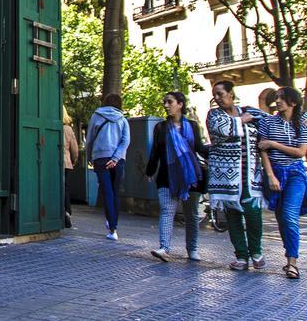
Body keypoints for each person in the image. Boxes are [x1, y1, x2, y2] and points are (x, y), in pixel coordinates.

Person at [207, 80, 266, 271]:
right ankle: (241, 256)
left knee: (253, 214)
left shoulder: (250, 112)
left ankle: (256, 252)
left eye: (220, 94)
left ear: (231, 94)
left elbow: (270, 123)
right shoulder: (214, 115)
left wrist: (301, 119)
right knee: (233, 216)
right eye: (214, 95)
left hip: (250, 175)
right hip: (226, 177)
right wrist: (242, 120)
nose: (216, 98)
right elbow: (221, 129)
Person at [258, 86, 307, 280]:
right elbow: (262, 150)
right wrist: (271, 175)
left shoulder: (302, 122)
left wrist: (273, 144)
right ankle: (288, 253)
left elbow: (301, 152)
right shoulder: (269, 122)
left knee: (290, 216)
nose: (277, 101)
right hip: (275, 172)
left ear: (293, 102)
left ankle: (292, 263)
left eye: (282, 98)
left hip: (295, 174)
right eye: (277, 98)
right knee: (282, 218)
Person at [145, 91, 206, 262]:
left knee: (192, 214)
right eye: (165, 102)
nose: (166, 105)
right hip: (166, 176)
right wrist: (149, 171)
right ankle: (164, 248)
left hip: (190, 176)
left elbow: (199, 148)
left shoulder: (192, 126)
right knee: (167, 211)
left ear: (180, 104)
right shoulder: (161, 127)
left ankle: (192, 249)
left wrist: (216, 154)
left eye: (169, 102)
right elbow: (156, 151)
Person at [85, 93, 130, 241]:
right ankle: (113, 225)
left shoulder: (96, 116)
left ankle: (112, 228)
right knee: (115, 192)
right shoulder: (123, 119)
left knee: (107, 192)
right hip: (118, 161)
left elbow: (90, 139)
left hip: (101, 158)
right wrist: (116, 158)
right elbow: (126, 141)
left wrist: (89, 157)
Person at [63, 107, 79, 228]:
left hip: (53, 162)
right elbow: (74, 148)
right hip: (66, 163)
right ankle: (67, 211)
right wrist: (73, 160)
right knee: (65, 188)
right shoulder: (68, 129)